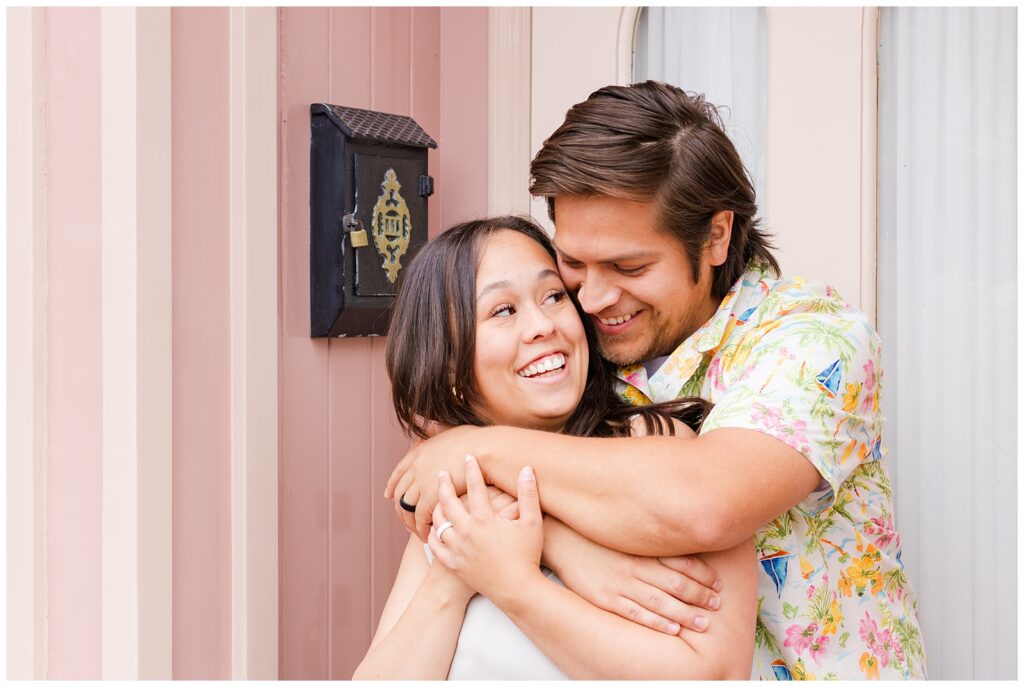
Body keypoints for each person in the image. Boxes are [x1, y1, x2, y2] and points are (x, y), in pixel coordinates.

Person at [384, 81, 927, 680]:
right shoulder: (583, 341)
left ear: (716, 236)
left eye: (629, 266)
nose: (591, 297)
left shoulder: (816, 341)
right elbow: (463, 433)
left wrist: (474, 450)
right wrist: (552, 541)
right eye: (573, 265)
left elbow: (706, 503)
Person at [353, 217, 757, 679]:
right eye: (503, 311)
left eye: (554, 296)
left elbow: (715, 674)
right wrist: (455, 574)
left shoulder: (657, 450)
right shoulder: (456, 494)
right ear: (449, 368)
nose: (543, 325)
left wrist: (516, 584)